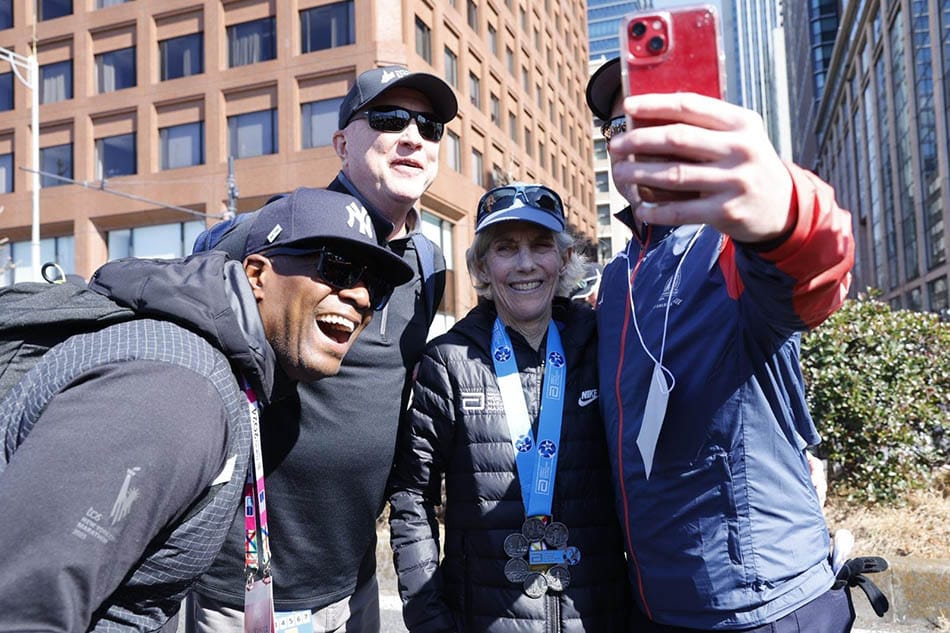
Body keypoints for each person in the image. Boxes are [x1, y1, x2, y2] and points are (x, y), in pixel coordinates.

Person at [0, 187, 412, 631]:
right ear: (256, 273)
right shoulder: (177, 388)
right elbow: (23, 608)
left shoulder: (228, 374)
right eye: (338, 267)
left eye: (377, 285)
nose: (362, 297)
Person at [585, 58, 856, 632]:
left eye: (657, 118)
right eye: (618, 127)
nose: (637, 136)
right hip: (656, 606)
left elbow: (813, 272)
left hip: (766, 608)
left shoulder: (736, 244)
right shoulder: (615, 279)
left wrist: (784, 211)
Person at [189, 65, 457, 632]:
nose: (413, 136)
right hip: (246, 586)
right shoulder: (270, 235)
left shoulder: (430, 264)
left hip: (353, 578)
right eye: (389, 119)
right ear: (341, 143)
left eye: (430, 126)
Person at [387, 183, 630, 632]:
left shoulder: (603, 343)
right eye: (505, 248)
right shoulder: (449, 360)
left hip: (600, 614)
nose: (525, 264)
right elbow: (410, 495)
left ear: (564, 258)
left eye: (541, 246)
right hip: (482, 617)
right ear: (481, 264)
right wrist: (429, 617)